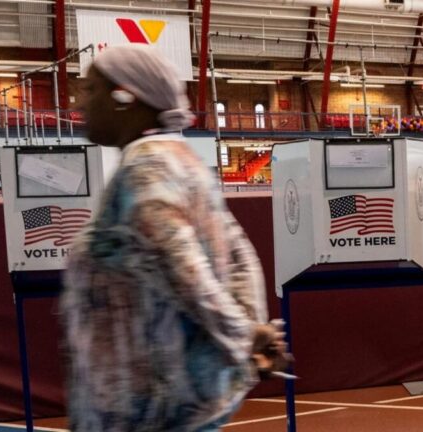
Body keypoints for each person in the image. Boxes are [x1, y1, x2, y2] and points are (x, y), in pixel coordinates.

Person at [61, 45, 288, 431]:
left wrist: (245, 335)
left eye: (91, 89)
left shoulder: (146, 169)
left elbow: (184, 267)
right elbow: (240, 255)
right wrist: (250, 326)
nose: (80, 103)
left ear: (125, 97)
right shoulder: (181, 159)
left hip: (152, 409)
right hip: (177, 403)